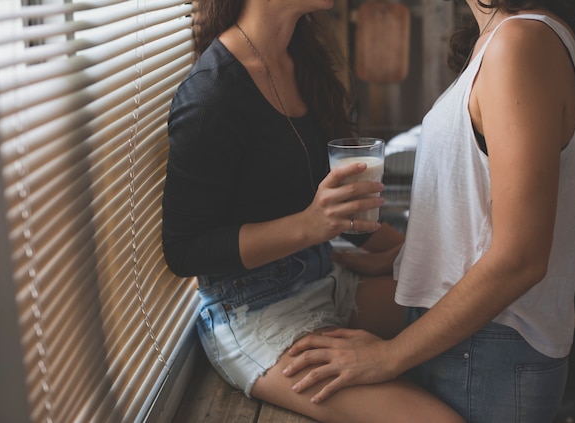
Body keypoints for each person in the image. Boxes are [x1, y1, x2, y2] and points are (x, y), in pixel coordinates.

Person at [283, 1, 575, 422]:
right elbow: (480, 215)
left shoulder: (521, 42)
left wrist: (388, 356)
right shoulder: (508, 39)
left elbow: (521, 257)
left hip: (487, 353)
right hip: (471, 344)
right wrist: (396, 258)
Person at [161, 0, 465, 421]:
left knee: (467, 307)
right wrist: (309, 226)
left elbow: (343, 209)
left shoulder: (301, 58)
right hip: (256, 315)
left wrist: (404, 255)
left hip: (326, 277)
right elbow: (184, 250)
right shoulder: (212, 93)